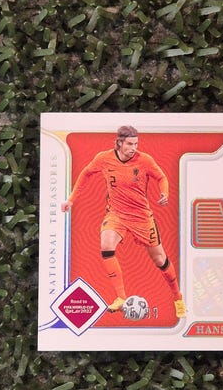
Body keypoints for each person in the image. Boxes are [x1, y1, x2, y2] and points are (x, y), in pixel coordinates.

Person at [61, 125, 186, 318]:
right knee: (106, 245)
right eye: (129, 144)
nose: (133, 148)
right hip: (117, 215)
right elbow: (86, 173)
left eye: (136, 143)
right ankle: (121, 297)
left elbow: (161, 177)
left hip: (141, 217)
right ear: (119, 143)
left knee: (160, 260)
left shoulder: (144, 160)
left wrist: (164, 193)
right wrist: (71, 200)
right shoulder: (104, 158)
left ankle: (178, 298)